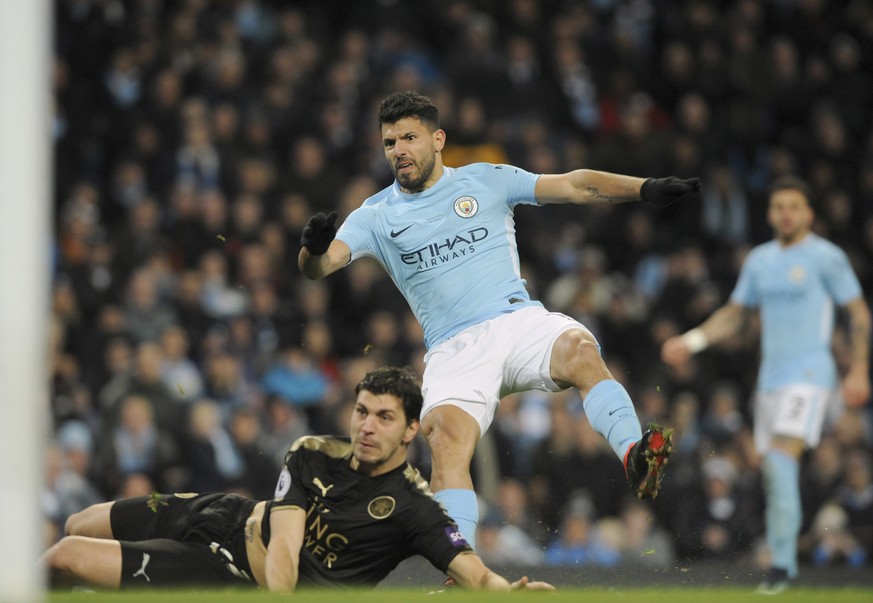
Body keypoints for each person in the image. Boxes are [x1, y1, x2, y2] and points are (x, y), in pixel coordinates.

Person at [299, 90, 699, 548]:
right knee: (446, 438)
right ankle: (461, 566)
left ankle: (634, 455)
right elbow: (322, 266)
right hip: (453, 348)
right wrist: (312, 249)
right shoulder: (374, 216)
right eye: (390, 143)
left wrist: (644, 188)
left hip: (516, 322)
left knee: (580, 351)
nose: (400, 151)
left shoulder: (485, 179)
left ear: (438, 139)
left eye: (409, 138)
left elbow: (573, 184)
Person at [40, 366, 553, 593]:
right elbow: (286, 540)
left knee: (66, 557)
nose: (366, 427)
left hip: (228, 573)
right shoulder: (312, 453)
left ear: (412, 430)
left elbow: (476, 574)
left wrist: (508, 591)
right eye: (361, 412)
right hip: (219, 513)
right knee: (77, 521)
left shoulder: (416, 509)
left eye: (384, 418)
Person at [661, 176, 871, 594]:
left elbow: (859, 315)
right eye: (779, 207)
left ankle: (780, 567)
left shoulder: (826, 258)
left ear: (808, 214)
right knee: (775, 472)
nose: (786, 213)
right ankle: (785, 562)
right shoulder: (759, 260)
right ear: (771, 213)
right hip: (770, 381)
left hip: (811, 374)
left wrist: (860, 369)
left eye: (794, 206)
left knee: (779, 461)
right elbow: (734, 314)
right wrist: (693, 340)